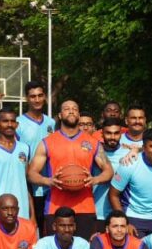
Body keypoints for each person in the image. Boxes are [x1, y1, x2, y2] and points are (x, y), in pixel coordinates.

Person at [27, 100, 114, 239]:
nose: (71, 111)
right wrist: (48, 181)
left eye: (75, 108)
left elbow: (109, 170)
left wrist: (95, 179)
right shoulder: (47, 142)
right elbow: (31, 173)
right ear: (60, 115)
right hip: (55, 208)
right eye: (67, 109)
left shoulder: (92, 142)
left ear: (79, 115)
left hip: (85, 208)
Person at [109, 127, 152, 237]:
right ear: (144, 147)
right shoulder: (129, 164)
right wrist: (124, 222)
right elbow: (113, 195)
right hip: (133, 218)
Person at [0, 108, 35, 222]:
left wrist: (33, 215)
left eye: (12, 121)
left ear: (17, 124)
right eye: (5, 121)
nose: (9, 124)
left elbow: (26, 184)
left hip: (23, 211)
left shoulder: (24, 148)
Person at [15, 81, 55, 229]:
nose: (37, 100)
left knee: (48, 223)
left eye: (40, 95)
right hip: (28, 183)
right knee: (31, 223)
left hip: (49, 181)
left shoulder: (51, 123)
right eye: (33, 96)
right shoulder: (18, 123)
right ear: (27, 98)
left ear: (44, 97)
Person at [93, 118, 130, 232]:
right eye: (108, 133)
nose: (112, 137)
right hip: (96, 213)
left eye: (116, 133)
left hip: (120, 214)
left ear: (121, 134)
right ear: (102, 133)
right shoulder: (93, 152)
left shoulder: (128, 155)